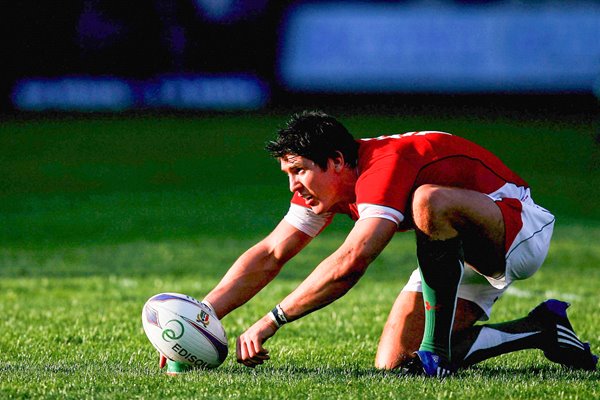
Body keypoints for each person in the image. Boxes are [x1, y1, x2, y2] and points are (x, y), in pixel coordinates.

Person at [162, 110, 597, 377]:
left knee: (429, 200)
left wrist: (273, 319)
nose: (294, 184)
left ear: (336, 161)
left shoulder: (383, 166)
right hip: (453, 248)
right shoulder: (328, 185)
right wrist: (202, 316)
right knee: (396, 364)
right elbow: (272, 253)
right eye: (288, 174)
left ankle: (438, 348)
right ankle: (541, 330)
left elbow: (352, 261)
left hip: (516, 229)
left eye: (299, 170)